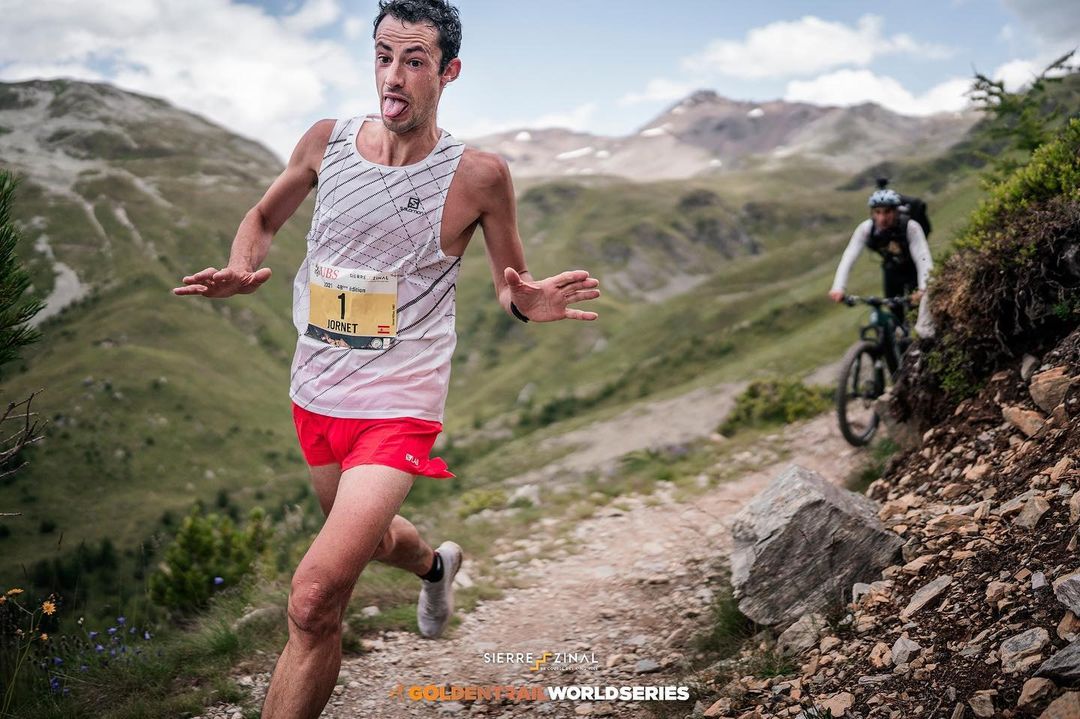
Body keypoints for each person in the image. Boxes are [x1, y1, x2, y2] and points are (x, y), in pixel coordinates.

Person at [172, 1, 601, 716]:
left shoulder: (479, 175)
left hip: (399, 404)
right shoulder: (326, 141)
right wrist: (242, 264)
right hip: (317, 390)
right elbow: (262, 218)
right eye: (382, 55)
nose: (392, 76)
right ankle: (435, 566)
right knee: (368, 541)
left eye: (414, 60)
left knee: (313, 602)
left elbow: (510, 288)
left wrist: (530, 302)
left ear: (449, 71)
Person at [828, 187, 934, 337]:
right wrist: (838, 287)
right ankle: (895, 350)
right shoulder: (866, 229)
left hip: (913, 272)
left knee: (915, 314)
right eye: (877, 212)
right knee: (895, 316)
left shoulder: (911, 227)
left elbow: (923, 259)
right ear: (872, 213)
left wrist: (923, 289)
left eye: (887, 212)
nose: (882, 218)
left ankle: (919, 348)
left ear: (897, 211)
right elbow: (849, 256)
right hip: (891, 272)